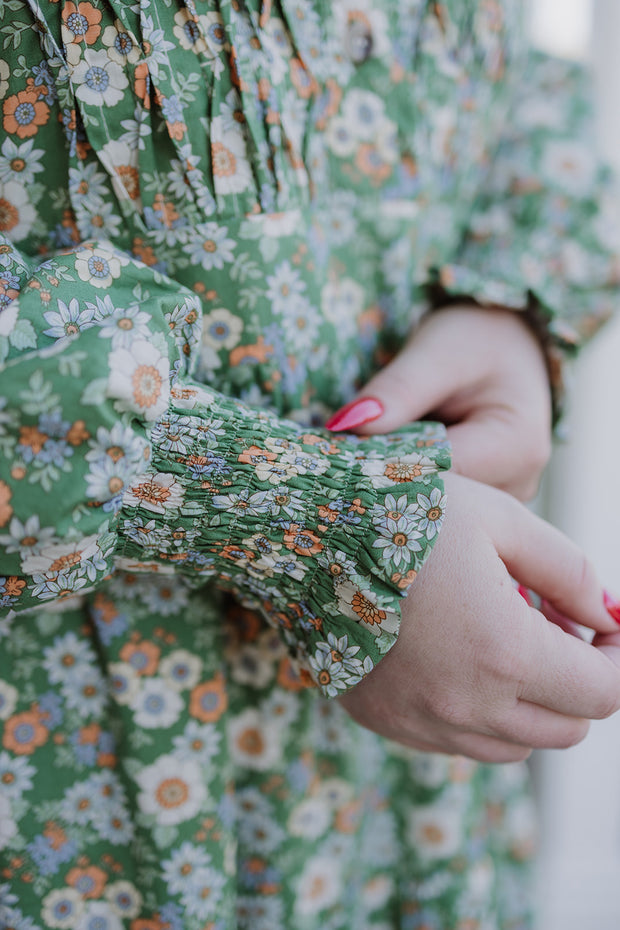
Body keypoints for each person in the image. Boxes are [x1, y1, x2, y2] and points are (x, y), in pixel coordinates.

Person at [1, 1, 620, 927]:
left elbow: (521, 76)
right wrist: (315, 525)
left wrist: (507, 313)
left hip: (392, 782)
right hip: (83, 768)